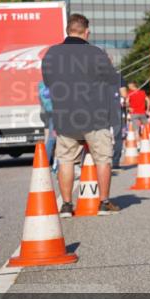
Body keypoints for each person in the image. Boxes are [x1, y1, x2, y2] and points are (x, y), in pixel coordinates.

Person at [40, 13, 121, 215]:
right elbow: (113, 80)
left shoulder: (51, 54)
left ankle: (67, 205)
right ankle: (104, 202)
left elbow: (48, 83)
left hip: (65, 117)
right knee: (103, 158)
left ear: (68, 31)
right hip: (95, 116)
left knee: (66, 160)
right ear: (87, 32)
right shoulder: (96, 53)